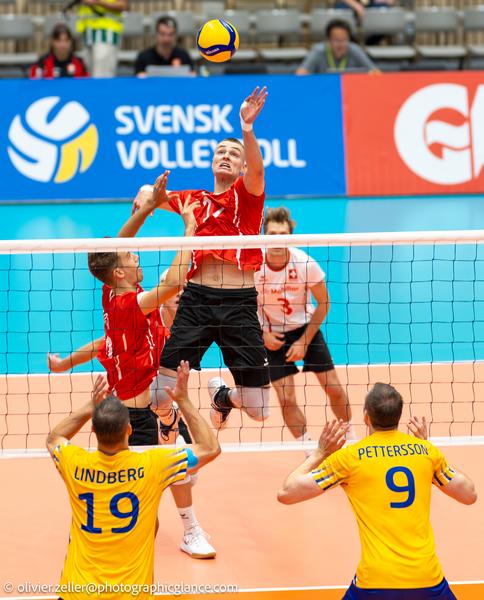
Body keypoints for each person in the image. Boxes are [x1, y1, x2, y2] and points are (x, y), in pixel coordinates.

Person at [47, 178, 217, 559]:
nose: (136, 255)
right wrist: (189, 229)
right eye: (130, 257)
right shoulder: (131, 306)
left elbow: (102, 343)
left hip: (156, 400)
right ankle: (122, 553)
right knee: (147, 514)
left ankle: (190, 528)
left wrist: (148, 207)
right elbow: (176, 281)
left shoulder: (112, 292)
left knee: (179, 466)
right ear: (120, 274)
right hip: (137, 420)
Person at [133, 86, 270, 432]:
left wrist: (247, 128)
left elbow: (258, 173)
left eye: (233, 154)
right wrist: (145, 194)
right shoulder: (194, 199)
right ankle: (172, 422)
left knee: (258, 409)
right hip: (196, 301)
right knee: (159, 398)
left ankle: (222, 397)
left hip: (239, 304)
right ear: (212, 161)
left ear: (241, 167)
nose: (226, 156)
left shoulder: (247, 196)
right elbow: (155, 194)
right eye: (220, 151)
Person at [278, 383, 477, 599]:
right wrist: (427, 450)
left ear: (366, 417)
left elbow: (286, 493)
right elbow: (469, 495)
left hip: (375, 581)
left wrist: (320, 453)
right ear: (399, 415)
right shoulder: (426, 452)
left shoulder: (349, 458)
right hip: (426, 578)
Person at [47, 362, 220, 600]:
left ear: (93, 430)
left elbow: (54, 438)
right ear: (129, 429)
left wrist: (90, 406)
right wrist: (183, 400)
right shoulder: (153, 466)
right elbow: (210, 448)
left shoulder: (74, 463)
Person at [254, 207, 354, 448]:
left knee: (334, 388)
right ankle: (309, 449)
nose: (277, 240)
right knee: (287, 399)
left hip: (305, 329)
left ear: (291, 236)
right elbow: (243, 306)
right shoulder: (254, 267)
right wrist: (262, 334)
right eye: (272, 234)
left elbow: (324, 303)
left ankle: (350, 439)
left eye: (283, 234)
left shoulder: (305, 263)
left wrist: (304, 341)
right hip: (271, 334)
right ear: (264, 235)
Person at [296, 19, 377, 74]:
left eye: (344, 40)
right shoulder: (318, 51)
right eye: (337, 40)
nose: (341, 44)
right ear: (328, 40)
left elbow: (375, 72)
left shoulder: (354, 49)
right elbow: (300, 74)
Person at [76, 0, 129, 78]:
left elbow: (123, 5)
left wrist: (97, 2)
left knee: (102, 76)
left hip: (106, 34)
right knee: (90, 76)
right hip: (88, 32)